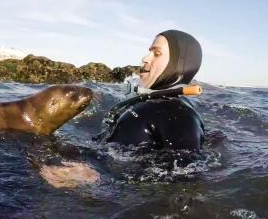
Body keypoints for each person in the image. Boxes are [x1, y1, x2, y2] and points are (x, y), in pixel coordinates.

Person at [40, 30, 204, 188]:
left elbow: (184, 178)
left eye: (157, 53)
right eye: (149, 52)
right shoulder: (151, 102)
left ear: (179, 64)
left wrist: (99, 177)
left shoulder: (180, 114)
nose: (145, 58)